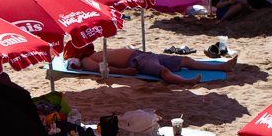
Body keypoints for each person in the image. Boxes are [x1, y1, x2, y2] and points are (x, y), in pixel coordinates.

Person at [65, 39, 237, 84]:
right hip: (137, 61)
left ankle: (222, 66)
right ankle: (187, 81)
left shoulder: (94, 53)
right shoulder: (86, 60)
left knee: (184, 60)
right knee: (162, 71)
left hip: (143, 55)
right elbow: (104, 69)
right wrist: (125, 72)